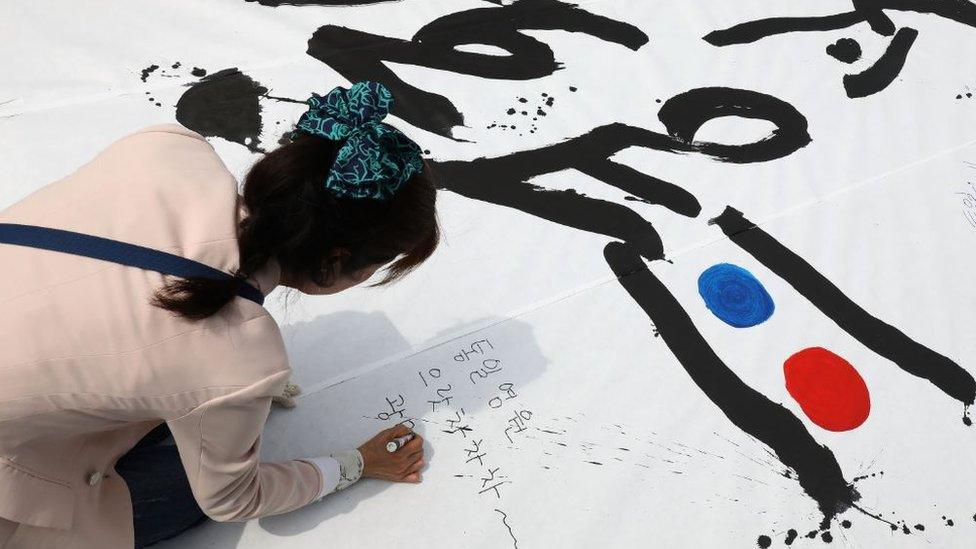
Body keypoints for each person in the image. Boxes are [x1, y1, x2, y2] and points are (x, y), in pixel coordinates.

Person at [0, 81, 439, 548]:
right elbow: (232, 499)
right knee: (187, 484)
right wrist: (354, 466)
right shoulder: (235, 361)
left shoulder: (170, 148)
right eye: (377, 265)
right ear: (334, 261)